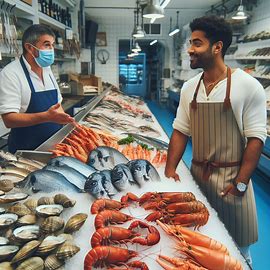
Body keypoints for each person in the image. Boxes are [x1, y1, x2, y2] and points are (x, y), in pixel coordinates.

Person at [165, 16, 267, 264]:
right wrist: (170, 170)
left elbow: (256, 138)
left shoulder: (247, 86)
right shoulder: (190, 87)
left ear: (217, 47)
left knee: (239, 252)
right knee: (199, 247)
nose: (190, 49)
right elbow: (180, 131)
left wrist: (241, 183)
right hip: (198, 179)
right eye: (190, 42)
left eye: (197, 43)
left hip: (233, 182)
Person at [0, 24, 75, 153]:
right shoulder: (11, 73)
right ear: (29, 47)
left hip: (54, 147)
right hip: (26, 152)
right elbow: (9, 119)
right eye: (47, 45)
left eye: (52, 45)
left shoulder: (47, 70)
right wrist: (46, 117)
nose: (51, 49)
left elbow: (58, 106)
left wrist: (68, 125)